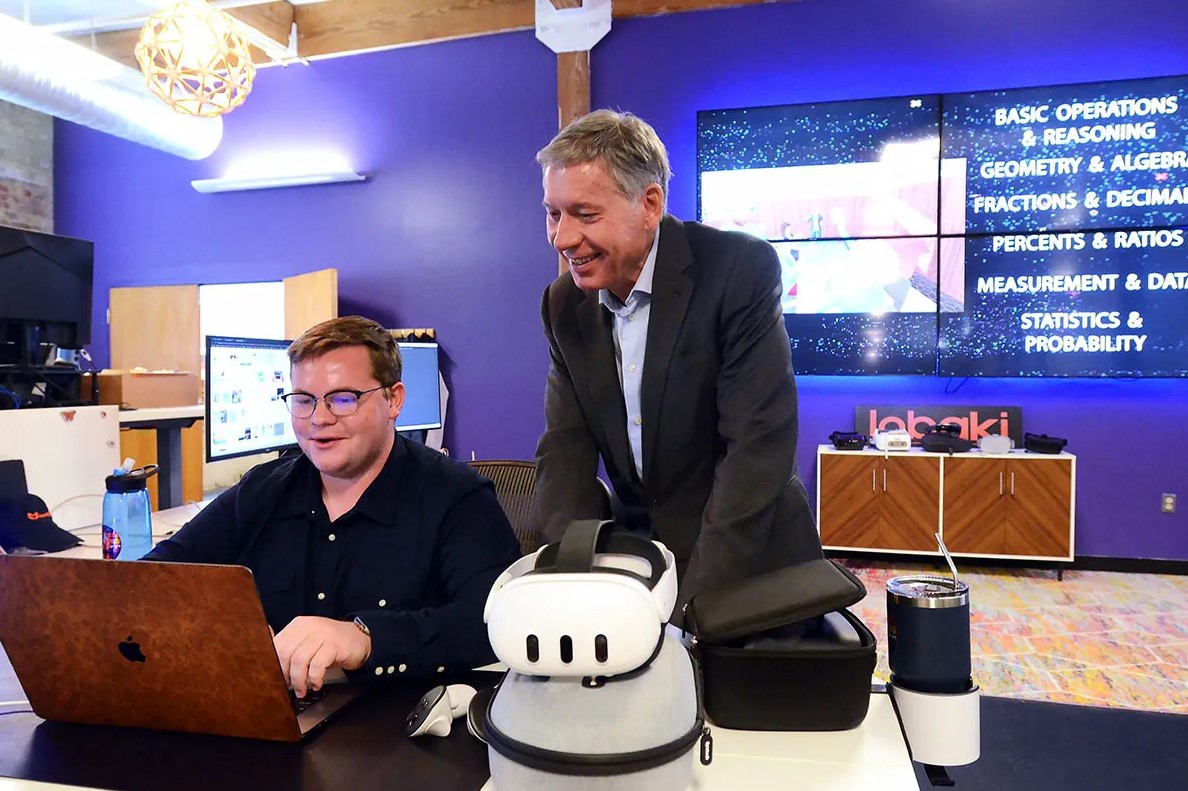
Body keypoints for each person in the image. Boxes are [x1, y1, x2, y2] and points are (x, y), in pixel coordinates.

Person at [533, 109, 823, 619]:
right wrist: (570, 579)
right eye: (554, 214)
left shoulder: (738, 271)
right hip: (642, 569)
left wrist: (694, 608)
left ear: (649, 204)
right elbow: (565, 452)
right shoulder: (563, 304)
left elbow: (756, 449)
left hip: (750, 563)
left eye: (585, 214)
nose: (562, 237)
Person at [147, 316, 520, 696]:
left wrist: (366, 639)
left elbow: (493, 623)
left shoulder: (457, 496)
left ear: (393, 400)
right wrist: (225, 628)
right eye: (303, 400)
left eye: (343, 399)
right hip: (268, 710)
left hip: (396, 718)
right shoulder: (262, 490)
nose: (319, 419)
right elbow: (152, 579)